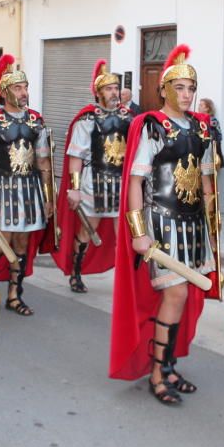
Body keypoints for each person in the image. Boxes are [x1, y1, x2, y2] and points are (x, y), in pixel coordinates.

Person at [110, 44, 222, 406]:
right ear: (164, 89)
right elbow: (136, 181)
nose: (187, 94)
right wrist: (138, 231)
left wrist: (212, 214)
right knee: (174, 294)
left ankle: (170, 364)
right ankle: (157, 371)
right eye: (179, 88)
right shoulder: (152, 127)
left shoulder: (201, 128)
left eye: (191, 88)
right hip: (162, 223)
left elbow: (206, 178)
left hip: (193, 225)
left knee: (185, 298)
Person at [0, 55, 55, 316]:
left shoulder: (36, 121)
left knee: (21, 244)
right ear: (5, 92)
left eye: (26, 87)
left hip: (30, 189)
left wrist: (48, 197)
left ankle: (14, 294)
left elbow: (43, 161)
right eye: (18, 88)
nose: (24, 93)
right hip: (3, 189)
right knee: (0, 244)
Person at [52, 59, 130, 293]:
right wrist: (74, 188)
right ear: (98, 93)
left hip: (121, 183)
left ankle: (125, 282)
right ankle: (76, 273)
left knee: (124, 234)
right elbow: (76, 156)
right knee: (87, 231)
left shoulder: (130, 118)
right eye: (109, 88)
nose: (114, 92)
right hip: (93, 183)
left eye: (116, 87)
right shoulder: (87, 120)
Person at [197, 97, 224, 170]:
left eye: (201, 105)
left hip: (209, 151)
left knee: (206, 174)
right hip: (200, 151)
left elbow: (216, 137)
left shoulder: (212, 120)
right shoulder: (197, 119)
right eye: (199, 104)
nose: (198, 107)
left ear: (207, 108)